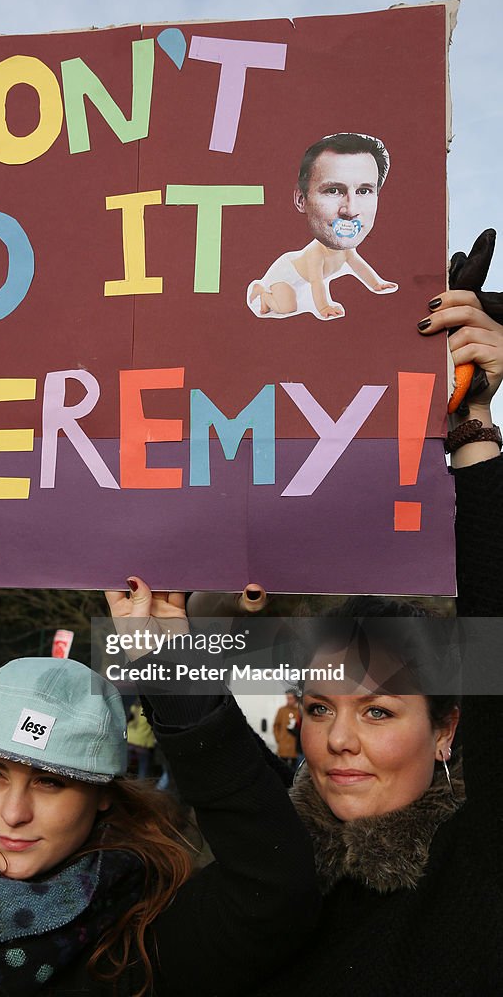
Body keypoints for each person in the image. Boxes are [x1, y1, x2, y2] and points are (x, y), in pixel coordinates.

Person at [0, 406, 319, 997]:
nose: (12, 814)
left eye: (51, 781)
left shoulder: (147, 941)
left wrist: (172, 667)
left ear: (102, 797)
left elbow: (275, 888)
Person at [198, 235, 503, 994]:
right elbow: (184, 703)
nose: (335, 739)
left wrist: (471, 427)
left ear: (448, 729)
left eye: (378, 712)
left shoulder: (480, 863)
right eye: (319, 706)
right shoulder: (257, 868)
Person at [247, 132, 397, 320]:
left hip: (298, 279)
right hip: (284, 277)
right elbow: (317, 282)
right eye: (333, 190)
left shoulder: (346, 249)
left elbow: (358, 265)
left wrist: (376, 284)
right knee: (287, 307)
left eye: (364, 191)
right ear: (301, 200)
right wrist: (324, 307)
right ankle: (263, 293)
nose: (350, 210)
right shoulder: (316, 253)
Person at [271, 690, 300, 770]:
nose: (289, 700)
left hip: (294, 749)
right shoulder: (282, 710)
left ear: (295, 699)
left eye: (291, 698)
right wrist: (278, 739)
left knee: (293, 770)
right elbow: (276, 726)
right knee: (281, 769)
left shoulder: (299, 711)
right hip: (283, 747)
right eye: (287, 698)